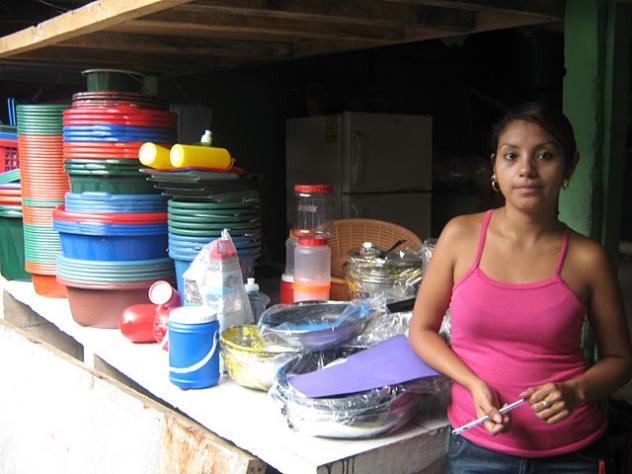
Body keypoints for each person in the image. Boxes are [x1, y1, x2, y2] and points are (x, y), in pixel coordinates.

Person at [409, 103, 632, 473]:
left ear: (569, 166)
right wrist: (472, 383)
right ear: (495, 167)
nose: (526, 169)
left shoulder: (587, 258)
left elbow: (620, 361)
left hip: (572, 454)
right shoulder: (460, 236)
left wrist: (576, 391)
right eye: (511, 155)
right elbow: (421, 330)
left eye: (545, 155)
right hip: (478, 449)